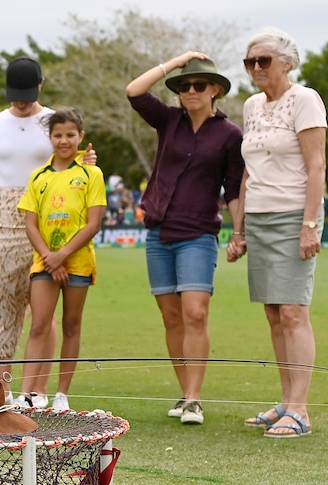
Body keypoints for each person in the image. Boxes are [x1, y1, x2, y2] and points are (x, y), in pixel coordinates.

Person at [0, 57, 96, 406]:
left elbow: (73, 163)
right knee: (1, 310)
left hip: (48, 216)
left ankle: (37, 390)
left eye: (27, 94)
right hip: (2, 214)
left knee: (44, 309)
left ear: (40, 85)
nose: (21, 102)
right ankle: (5, 390)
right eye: (15, 95)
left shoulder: (54, 121)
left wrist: (87, 165)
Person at [126, 53, 244, 425]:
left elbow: (234, 189)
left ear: (215, 91)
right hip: (159, 232)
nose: (190, 91)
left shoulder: (230, 135)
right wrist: (178, 61)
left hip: (198, 234)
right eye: (184, 86)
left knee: (195, 312)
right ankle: (184, 393)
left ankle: (195, 397)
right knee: (171, 316)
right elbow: (133, 91)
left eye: (198, 85)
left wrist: (239, 233)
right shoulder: (168, 120)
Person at [227, 27, 327, 438]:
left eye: (263, 61)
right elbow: (249, 169)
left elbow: (316, 166)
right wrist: (239, 229)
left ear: (287, 63)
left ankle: (300, 410)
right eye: (249, 61)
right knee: (273, 312)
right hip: (260, 217)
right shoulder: (251, 106)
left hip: (293, 215)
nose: (255, 68)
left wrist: (309, 224)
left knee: (293, 311)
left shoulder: (305, 100)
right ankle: (285, 402)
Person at [15, 108, 105, 411]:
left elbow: (93, 224)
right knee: (39, 325)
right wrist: (49, 257)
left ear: (80, 136)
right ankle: (27, 394)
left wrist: (62, 256)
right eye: (58, 135)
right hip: (44, 263)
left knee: (71, 324)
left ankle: (62, 394)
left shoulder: (91, 174)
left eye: (70, 135)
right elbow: (30, 224)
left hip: (78, 263)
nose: (64, 140)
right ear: (50, 138)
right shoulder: (38, 177)